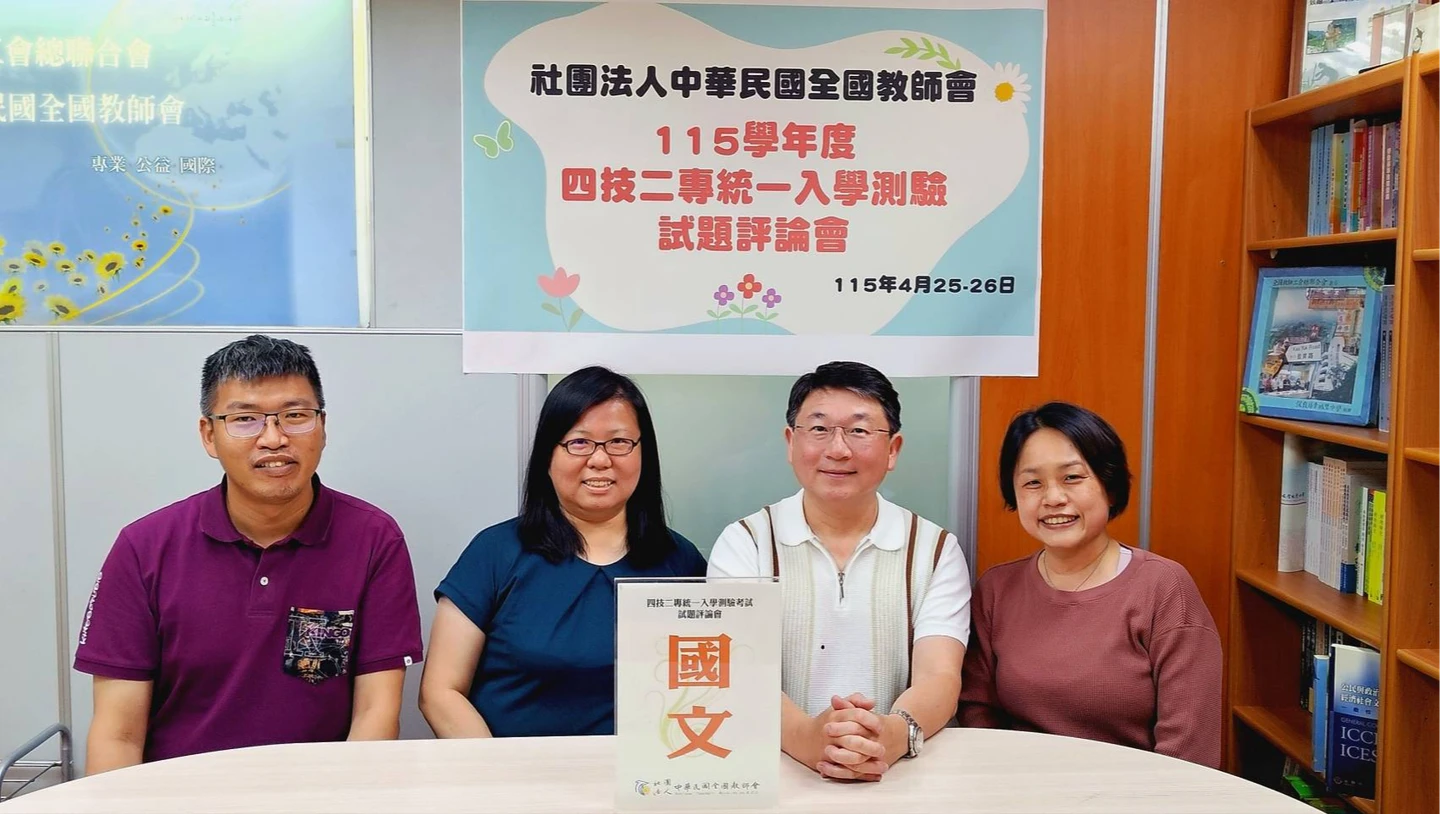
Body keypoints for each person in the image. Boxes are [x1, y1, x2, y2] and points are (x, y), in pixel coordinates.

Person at [74, 335, 424, 774]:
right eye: (245, 420)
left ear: (322, 426)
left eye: (295, 416)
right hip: (177, 797)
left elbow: (376, 713)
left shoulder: (373, 539)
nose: (274, 439)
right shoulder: (144, 548)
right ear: (209, 435)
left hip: (320, 794)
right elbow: (118, 735)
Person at [707, 361, 971, 782]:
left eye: (859, 431)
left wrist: (890, 736)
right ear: (791, 442)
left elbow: (939, 675)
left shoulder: (935, 548)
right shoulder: (746, 543)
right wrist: (808, 738)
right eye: (819, 429)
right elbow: (737, 671)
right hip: (774, 772)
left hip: (901, 774)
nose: (838, 449)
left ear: (893, 449)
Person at [419, 366, 707, 738]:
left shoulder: (681, 561)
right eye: (579, 442)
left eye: (619, 442)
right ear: (548, 455)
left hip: (647, 770)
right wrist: (497, 768)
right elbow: (440, 692)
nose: (600, 460)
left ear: (643, 453)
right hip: (515, 769)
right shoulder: (495, 553)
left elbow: (709, 686)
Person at [958, 401, 1223, 768]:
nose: (1053, 498)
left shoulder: (1164, 588)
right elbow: (977, 711)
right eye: (1033, 483)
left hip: (1137, 792)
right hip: (1018, 786)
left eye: (1072, 477)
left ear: (1109, 486)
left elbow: (1189, 750)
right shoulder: (997, 589)